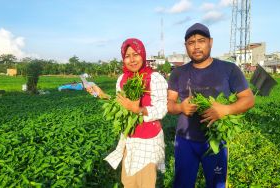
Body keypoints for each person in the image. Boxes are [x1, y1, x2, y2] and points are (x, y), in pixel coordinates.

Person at [167, 23, 255, 188]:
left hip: (216, 139)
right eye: (191, 42)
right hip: (185, 141)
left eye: (201, 40)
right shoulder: (178, 72)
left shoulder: (229, 69)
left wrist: (225, 109)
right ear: (186, 46)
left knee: (216, 184)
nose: (196, 46)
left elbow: (249, 99)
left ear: (211, 42)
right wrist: (180, 108)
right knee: (182, 184)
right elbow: (169, 103)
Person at [103, 38, 168, 188]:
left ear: (143, 55)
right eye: (127, 56)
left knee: (145, 183)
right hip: (129, 138)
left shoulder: (154, 78)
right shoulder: (122, 79)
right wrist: (103, 95)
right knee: (129, 182)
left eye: (136, 54)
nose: (132, 60)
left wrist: (139, 110)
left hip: (148, 140)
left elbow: (162, 108)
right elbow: (121, 103)